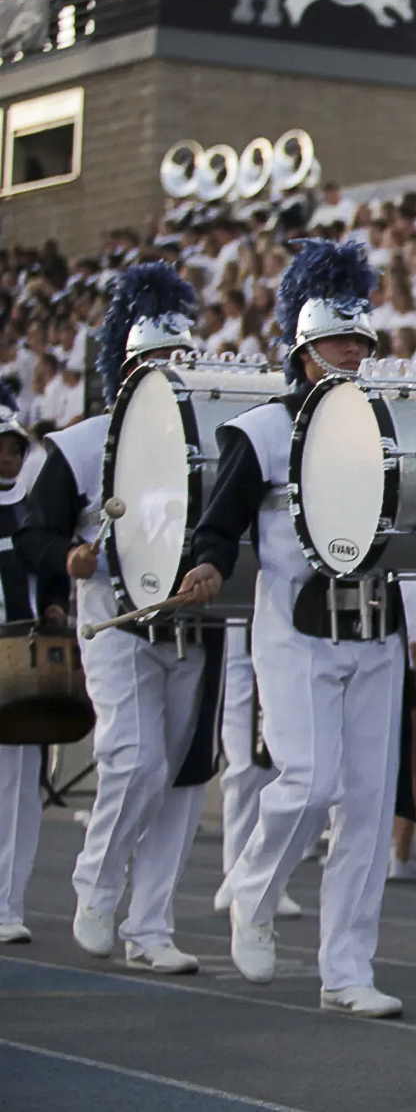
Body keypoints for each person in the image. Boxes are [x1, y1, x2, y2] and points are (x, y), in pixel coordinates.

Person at [174, 242, 406, 1016]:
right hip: (295, 631)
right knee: (309, 785)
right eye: (340, 343)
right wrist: (207, 564)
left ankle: (347, 970)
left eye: (362, 345)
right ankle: (251, 889)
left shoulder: (388, 424)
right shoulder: (260, 431)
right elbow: (220, 521)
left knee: (368, 808)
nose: (353, 355)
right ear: (304, 352)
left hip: (378, 628)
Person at [18, 264, 211, 975]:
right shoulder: (75, 445)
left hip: (193, 628)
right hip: (117, 625)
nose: (167, 371)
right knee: (136, 764)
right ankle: (95, 885)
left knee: (183, 782)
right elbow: (32, 532)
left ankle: (151, 922)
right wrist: (66, 555)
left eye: (177, 361)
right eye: (153, 361)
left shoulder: (214, 434)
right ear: (124, 370)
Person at [0, 393, 59, 944]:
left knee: (20, 781)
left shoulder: (33, 512)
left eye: (13, 449)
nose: (6, 458)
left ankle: (8, 903)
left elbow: (52, 572)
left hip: (23, 655)